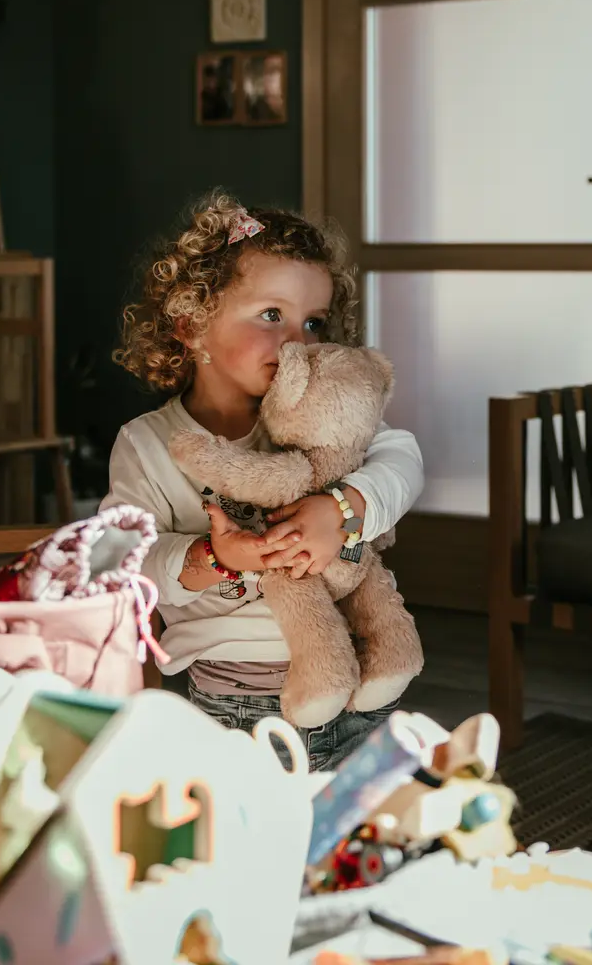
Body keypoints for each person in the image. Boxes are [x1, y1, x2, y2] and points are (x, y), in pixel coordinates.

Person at [104, 190, 424, 770]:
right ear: (190, 324)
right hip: (235, 710)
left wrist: (343, 509)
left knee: (369, 840)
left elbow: (403, 460)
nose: (297, 340)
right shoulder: (146, 444)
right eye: (271, 315)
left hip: (357, 684)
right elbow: (128, 563)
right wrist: (215, 558)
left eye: (313, 321)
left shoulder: (323, 418)